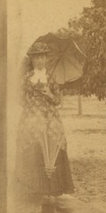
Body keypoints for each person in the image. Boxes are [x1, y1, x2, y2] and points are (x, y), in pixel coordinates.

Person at [15, 42, 75, 198]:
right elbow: (19, 98)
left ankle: (51, 188)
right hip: (31, 117)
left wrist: (49, 93)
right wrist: (31, 105)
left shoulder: (51, 78)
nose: (40, 60)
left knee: (53, 143)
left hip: (50, 118)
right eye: (37, 57)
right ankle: (31, 189)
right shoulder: (27, 78)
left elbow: (57, 101)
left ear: (46, 59)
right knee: (31, 144)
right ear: (32, 60)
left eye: (43, 57)